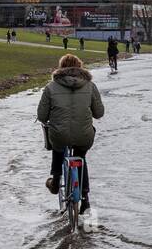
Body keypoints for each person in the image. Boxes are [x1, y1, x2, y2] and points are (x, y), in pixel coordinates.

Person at [37, 54, 104, 213]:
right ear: (80, 67)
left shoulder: (51, 87)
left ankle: (55, 181)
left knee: (58, 146)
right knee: (81, 156)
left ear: (61, 68)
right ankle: (85, 197)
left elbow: (41, 116)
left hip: (59, 135)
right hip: (84, 135)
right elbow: (99, 113)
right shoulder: (90, 86)